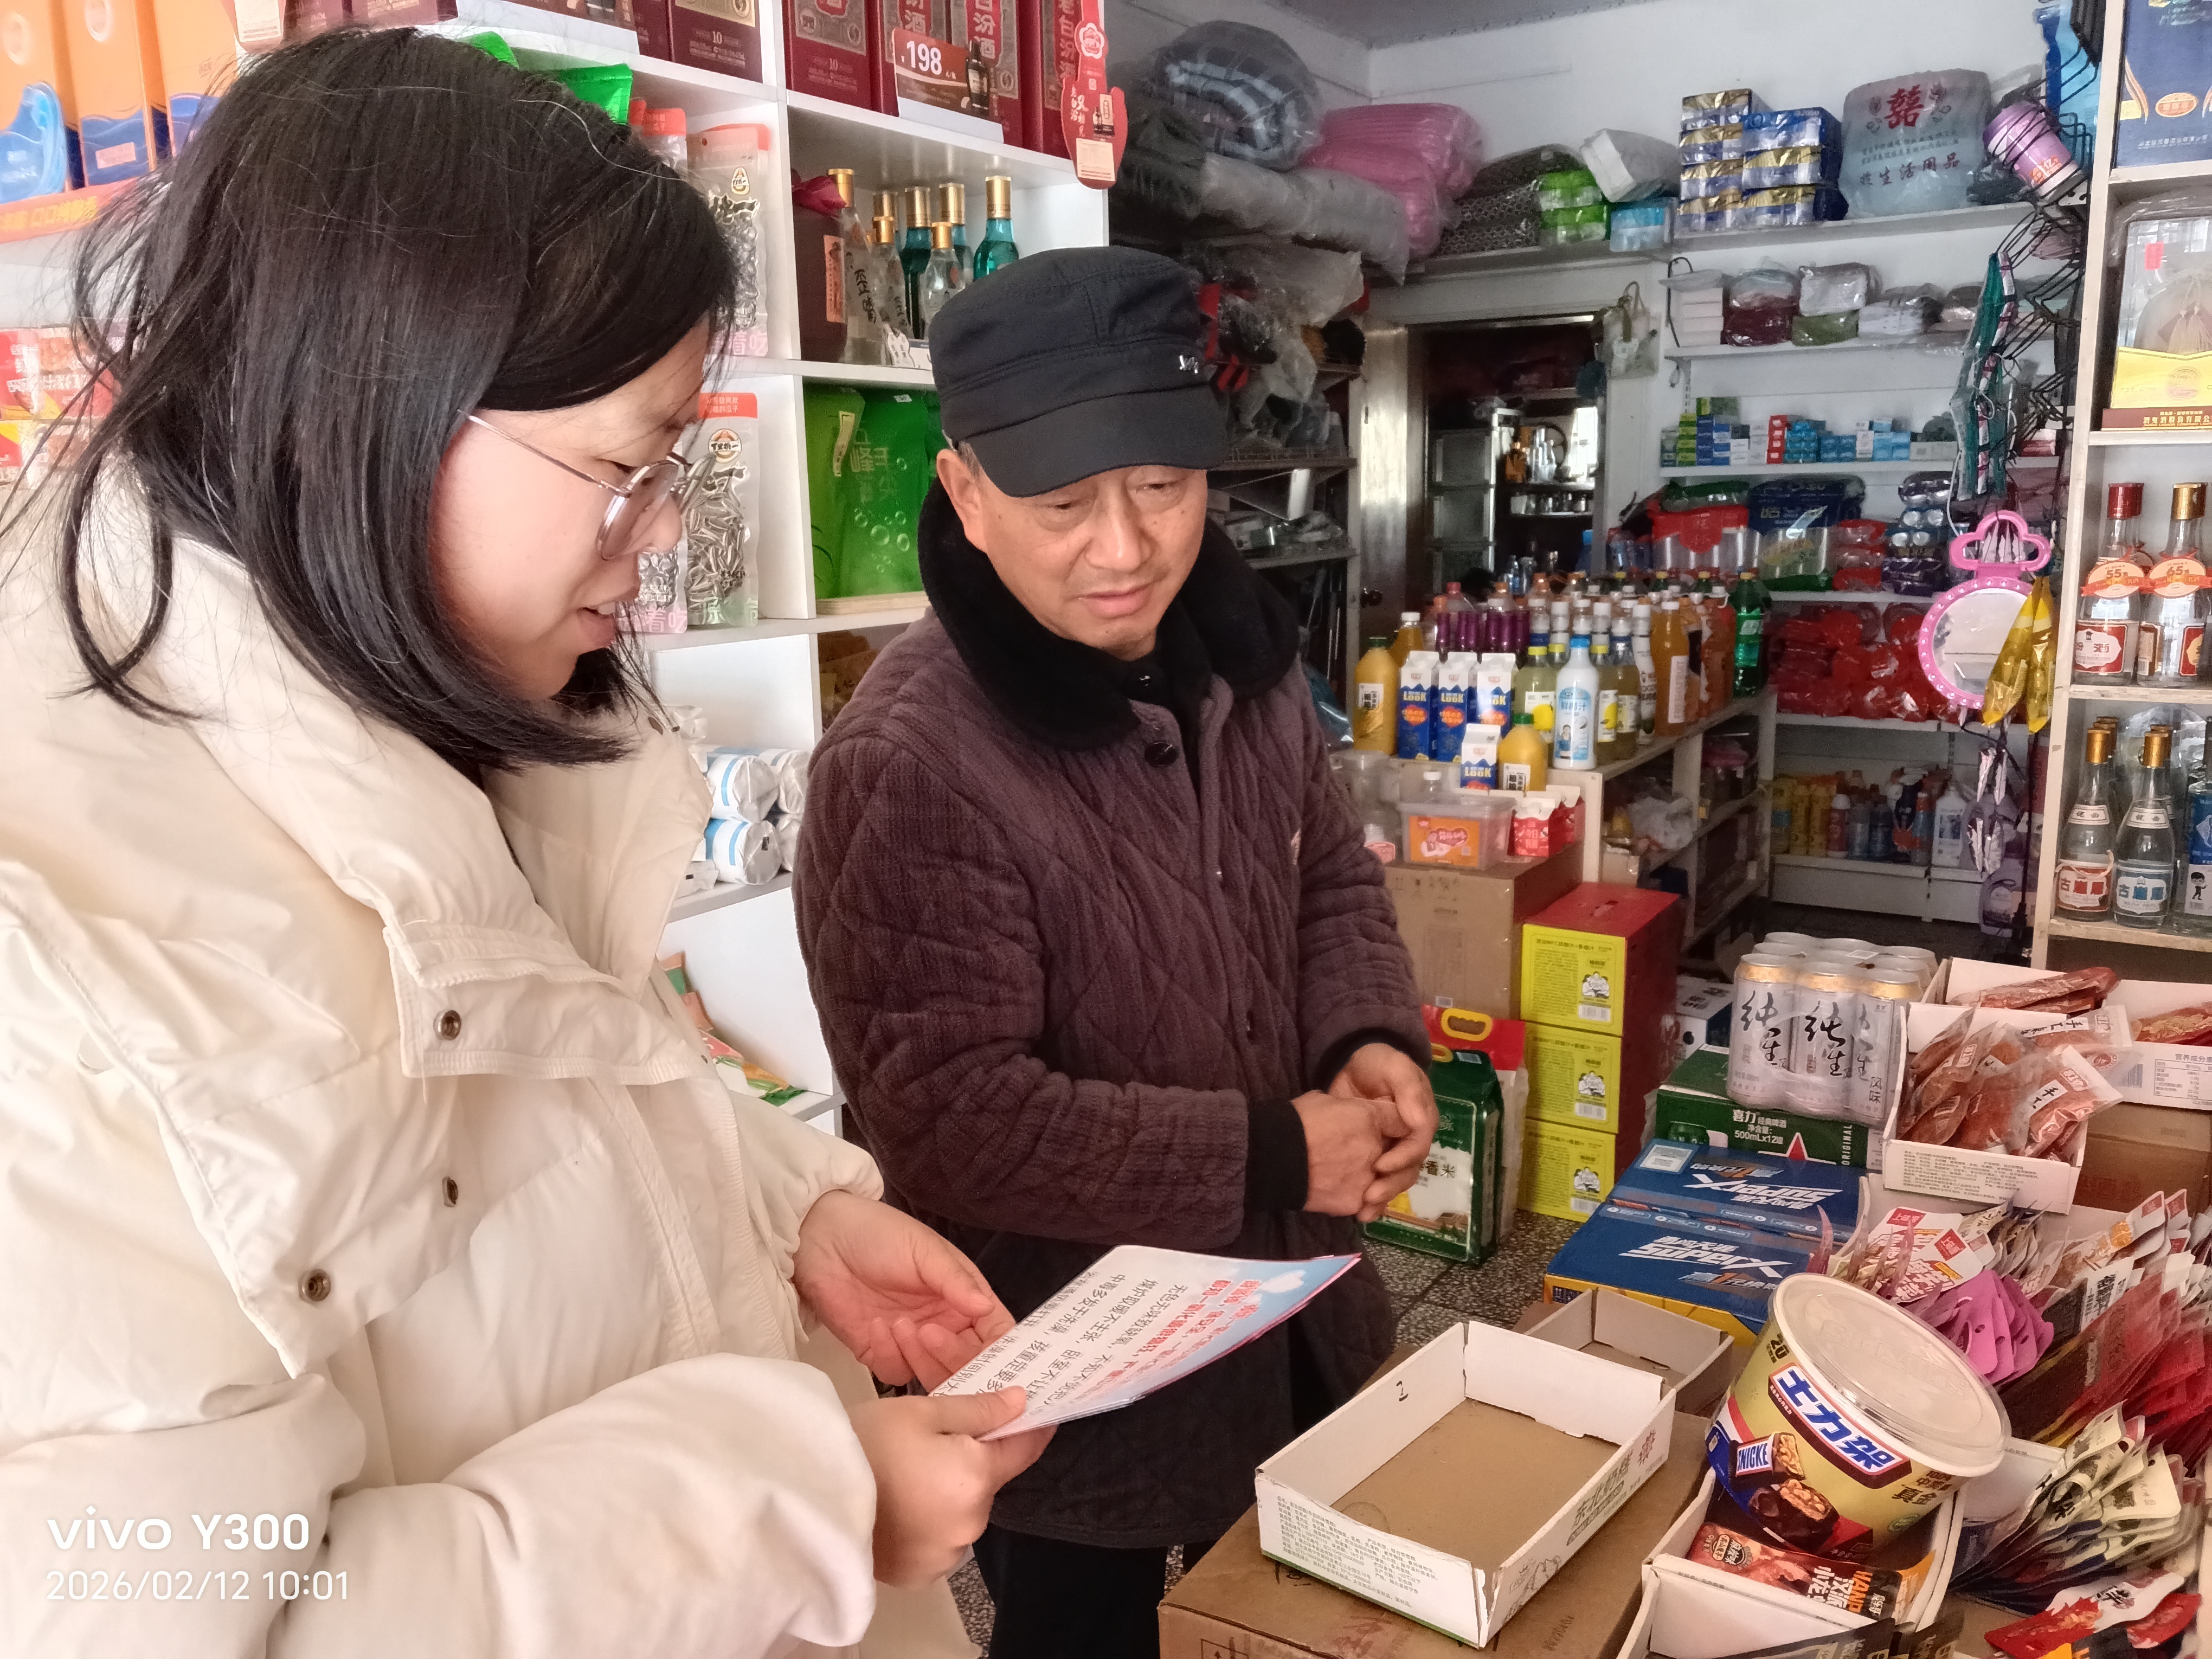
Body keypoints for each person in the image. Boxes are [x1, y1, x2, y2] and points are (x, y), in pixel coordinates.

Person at [0, 31, 1050, 1658]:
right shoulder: (59, 957)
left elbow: (541, 1102)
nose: (659, 536)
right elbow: (180, 1611)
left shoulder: (447, 713)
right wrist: (800, 1508)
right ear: (360, 408)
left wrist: (782, 1211)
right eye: (626, 469)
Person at [796, 247, 1437, 1659]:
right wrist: (1276, 1151)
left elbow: (1326, 880)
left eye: (1161, 486)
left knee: (1305, 1618)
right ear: (966, 491)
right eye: (1064, 504)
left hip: (1291, 1311)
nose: (1126, 547)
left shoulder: (1245, 663)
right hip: (1071, 1374)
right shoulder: (909, 761)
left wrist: (1365, 1040)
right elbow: (953, 1115)